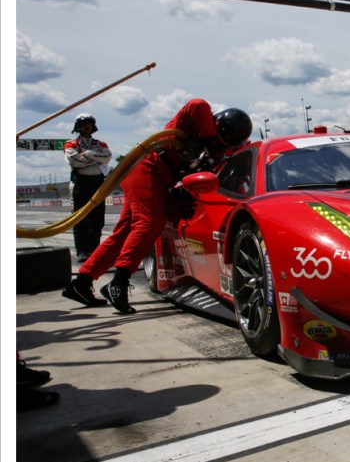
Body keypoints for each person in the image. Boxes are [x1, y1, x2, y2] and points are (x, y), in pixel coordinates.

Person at [62, 100, 252, 314]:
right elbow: (197, 105)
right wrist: (208, 137)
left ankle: (81, 282)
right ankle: (119, 283)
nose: (219, 145)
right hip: (147, 169)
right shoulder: (193, 123)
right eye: (219, 139)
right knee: (149, 222)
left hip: (159, 179)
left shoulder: (222, 151)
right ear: (216, 126)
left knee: (123, 234)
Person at [64, 113, 113, 261]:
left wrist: (89, 155)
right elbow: (74, 161)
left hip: (98, 183)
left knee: (98, 220)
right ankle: (82, 251)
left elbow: (107, 158)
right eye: (83, 124)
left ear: (93, 126)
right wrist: (97, 159)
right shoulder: (70, 143)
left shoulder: (101, 144)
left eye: (89, 124)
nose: (87, 126)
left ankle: (95, 251)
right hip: (81, 183)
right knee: (80, 219)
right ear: (77, 127)